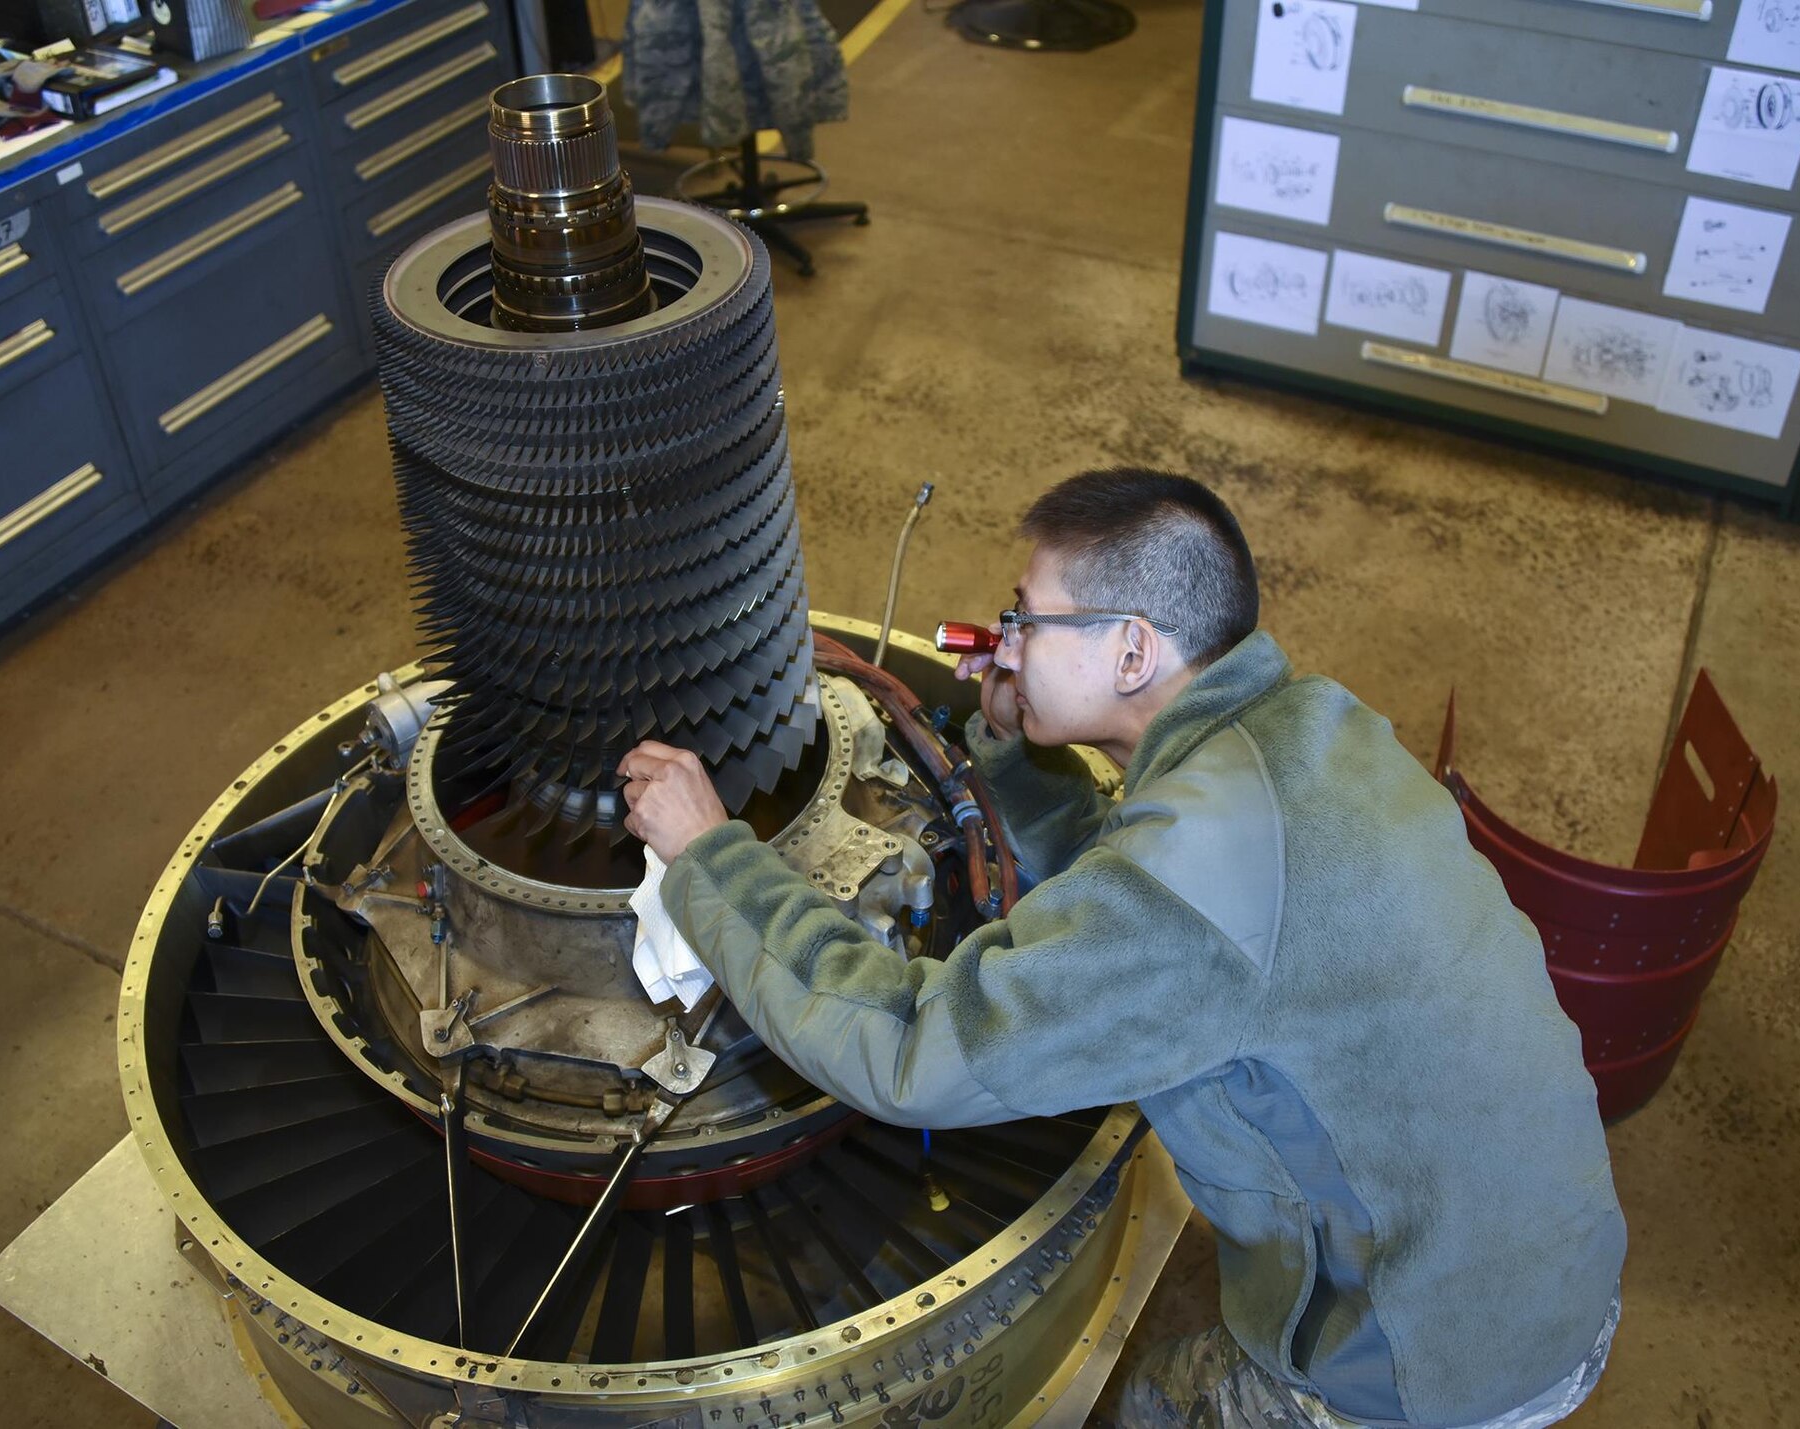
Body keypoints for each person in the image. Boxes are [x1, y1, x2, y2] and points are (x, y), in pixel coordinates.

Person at [617, 467, 1626, 1429]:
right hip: (1539, 1252)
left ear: (1133, 653)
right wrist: (1013, 742)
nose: (1001, 645)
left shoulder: (1193, 881)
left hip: (1433, 1360)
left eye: (1023, 618)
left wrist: (712, 860)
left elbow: (915, 1050)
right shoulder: (1304, 730)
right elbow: (1119, 893)